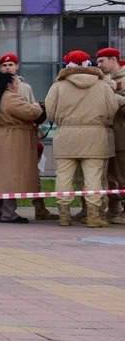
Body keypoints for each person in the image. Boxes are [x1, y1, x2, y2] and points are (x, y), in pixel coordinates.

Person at [45, 50, 123, 227]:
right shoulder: (102, 85)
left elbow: (50, 112)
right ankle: (94, 215)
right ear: (88, 64)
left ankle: (64, 214)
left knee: (64, 176)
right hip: (96, 136)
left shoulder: (58, 86)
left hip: (66, 136)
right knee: (94, 177)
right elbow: (112, 108)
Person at [0, 71, 43, 223]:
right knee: (12, 176)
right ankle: (9, 213)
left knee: (1, 177)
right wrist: (37, 106)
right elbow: (30, 112)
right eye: (15, 82)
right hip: (12, 139)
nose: (17, 85)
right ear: (8, 84)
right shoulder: (10, 98)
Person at [0, 53, 54, 220]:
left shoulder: (25, 87)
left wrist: (37, 124)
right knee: (7, 174)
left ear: (17, 66)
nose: (8, 68)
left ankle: (39, 207)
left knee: (33, 172)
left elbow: (32, 110)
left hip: (27, 132)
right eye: (4, 65)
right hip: (10, 134)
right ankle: (3, 210)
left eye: (11, 65)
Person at [95, 47, 125, 224]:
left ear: (113, 59)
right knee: (110, 175)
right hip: (105, 134)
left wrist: (113, 95)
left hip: (122, 133)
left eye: (102, 61)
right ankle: (114, 209)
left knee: (122, 174)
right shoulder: (102, 80)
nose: (99, 64)